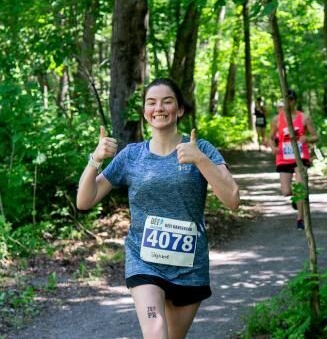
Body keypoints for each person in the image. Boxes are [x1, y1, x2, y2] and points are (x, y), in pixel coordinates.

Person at [76, 78, 240, 339]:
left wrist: (199, 160)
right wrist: (94, 159)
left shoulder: (202, 149)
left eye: (167, 101)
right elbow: (84, 201)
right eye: (151, 102)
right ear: (145, 112)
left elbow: (232, 199)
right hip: (144, 260)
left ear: (180, 109)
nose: (159, 107)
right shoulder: (132, 155)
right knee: (155, 333)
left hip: (189, 263)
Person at [268, 90, 318, 230]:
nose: (287, 103)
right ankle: (296, 200)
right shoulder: (277, 119)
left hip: (300, 157)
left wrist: (306, 138)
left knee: (300, 187)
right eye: (285, 100)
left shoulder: (304, 118)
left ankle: (300, 219)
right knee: (286, 191)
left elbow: (316, 136)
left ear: (294, 101)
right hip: (283, 158)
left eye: (290, 100)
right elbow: (270, 137)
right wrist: (273, 147)